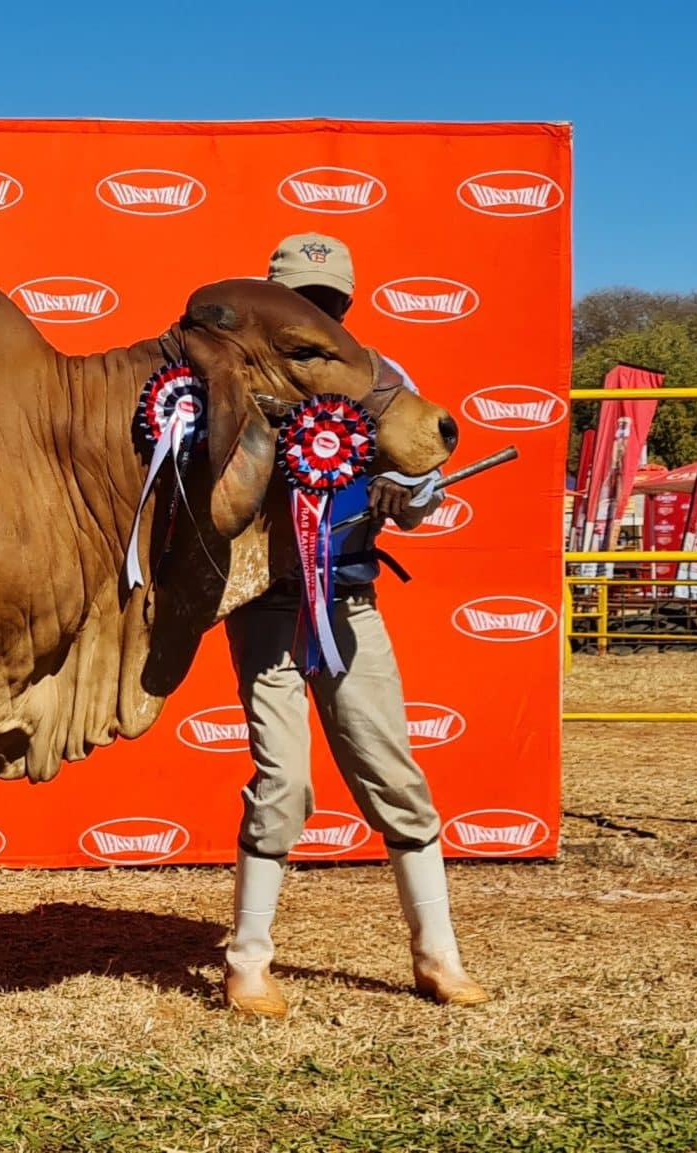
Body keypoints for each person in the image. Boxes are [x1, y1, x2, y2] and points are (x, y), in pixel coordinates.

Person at [218, 232, 491, 1016]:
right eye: (303, 297)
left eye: (329, 298)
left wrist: (411, 494)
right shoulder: (233, 375)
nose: (318, 309)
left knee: (395, 777)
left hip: (349, 602)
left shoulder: (381, 379)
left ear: (347, 299)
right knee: (283, 782)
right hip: (262, 604)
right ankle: (247, 961)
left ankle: (438, 956)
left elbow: (421, 475)